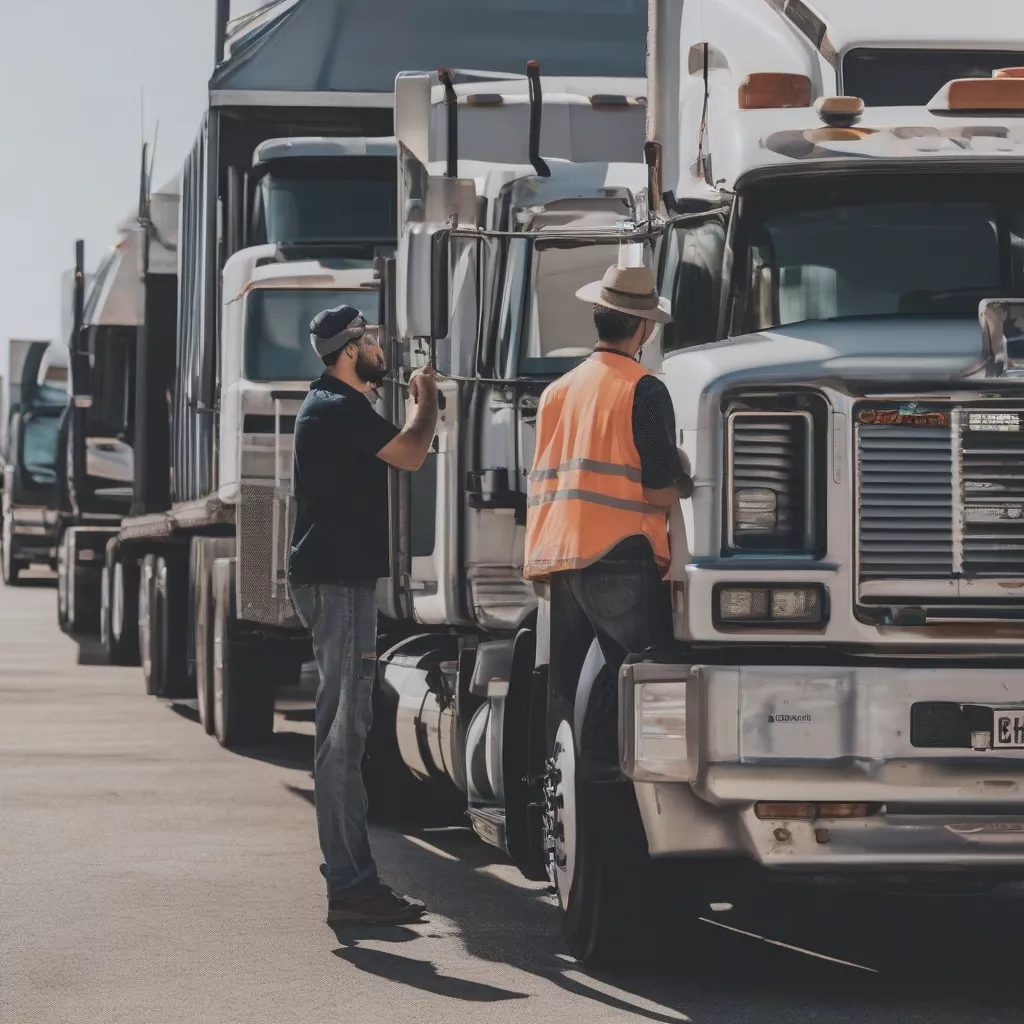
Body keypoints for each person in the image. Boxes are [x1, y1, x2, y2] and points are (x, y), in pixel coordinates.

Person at [289, 304, 437, 926]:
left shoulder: (338, 404)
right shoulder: (335, 408)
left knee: (344, 736)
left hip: (341, 582)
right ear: (350, 349)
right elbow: (411, 453)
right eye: (371, 337)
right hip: (338, 584)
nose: (380, 344)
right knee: (342, 738)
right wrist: (426, 400)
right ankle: (350, 887)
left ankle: (351, 880)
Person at [523, 265, 693, 781]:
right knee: (639, 685)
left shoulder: (557, 391)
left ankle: (569, 800)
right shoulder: (642, 388)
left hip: (560, 557)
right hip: (621, 555)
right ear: (644, 328)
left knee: (571, 693)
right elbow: (658, 485)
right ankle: (627, 802)